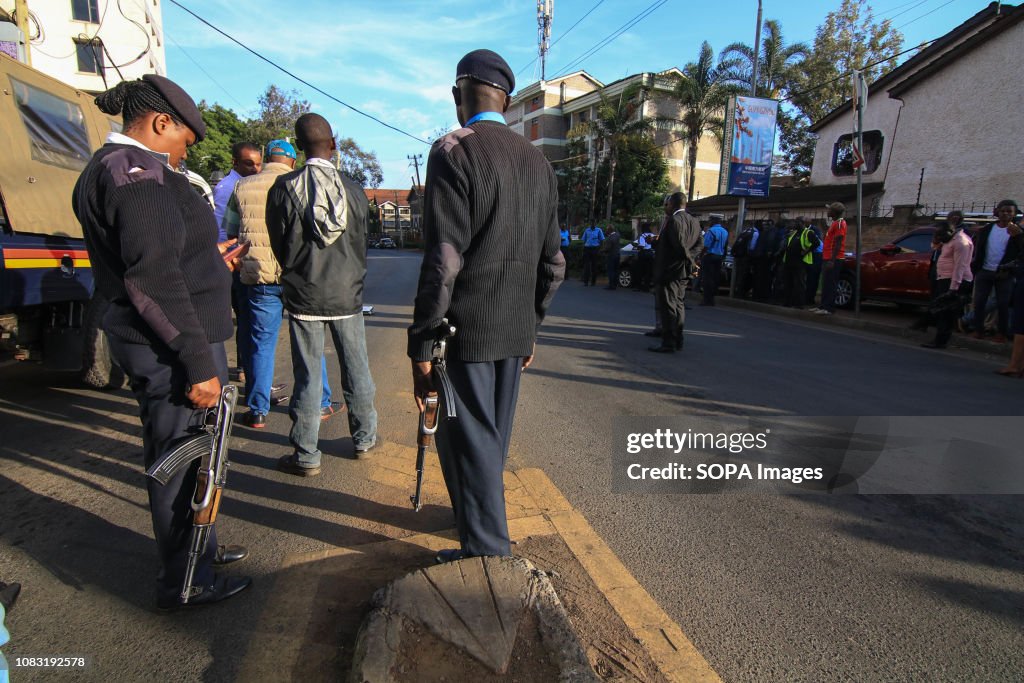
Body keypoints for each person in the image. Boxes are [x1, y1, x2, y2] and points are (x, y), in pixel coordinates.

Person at [72, 75, 251, 610]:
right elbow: (151, 278)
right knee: (182, 460)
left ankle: (199, 549)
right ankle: (186, 579)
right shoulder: (134, 173)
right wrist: (198, 363)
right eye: (184, 141)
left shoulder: (127, 170)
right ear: (160, 123)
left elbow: (162, 255)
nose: (182, 153)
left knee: (198, 458)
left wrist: (207, 262)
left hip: (168, 337)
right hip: (170, 348)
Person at [408, 49, 564, 563]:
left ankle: (487, 556)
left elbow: (444, 261)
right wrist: (532, 328)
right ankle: (473, 518)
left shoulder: (453, 150)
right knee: (485, 440)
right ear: (508, 99)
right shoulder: (539, 162)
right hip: (514, 332)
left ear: (458, 96)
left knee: (471, 440)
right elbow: (554, 263)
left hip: (466, 332)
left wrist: (423, 340)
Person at [267, 114, 378, 476]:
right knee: (357, 369)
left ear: (298, 148)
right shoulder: (354, 189)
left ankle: (306, 455)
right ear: (333, 144)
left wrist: (296, 273)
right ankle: (363, 440)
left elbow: (279, 245)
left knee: (309, 376)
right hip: (347, 296)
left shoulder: (283, 188)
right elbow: (362, 244)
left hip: (304, 297)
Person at [222, 139, 337, 428]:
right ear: (292, 162)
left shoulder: (243, 186)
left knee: (261, 343)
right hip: (298, 277)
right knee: (310, 342)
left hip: (258, 277)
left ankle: (257, 409)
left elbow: (232, 231)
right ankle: (321, 403)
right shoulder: (303, 184)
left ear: (265, 159)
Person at [214, 142, 262, 385]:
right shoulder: (228, 188)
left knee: (246, 318)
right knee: (243, 318)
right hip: (233, 263)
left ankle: (245, 367)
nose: (255, 168)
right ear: (235, 162)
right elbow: (224, 232)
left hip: (241, 261)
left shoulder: (244, 185)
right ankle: (243, 369)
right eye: (248, 163)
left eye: (258, 163)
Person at [650, 192, 701, 353]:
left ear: (673, 203)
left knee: (668, 306)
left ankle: (668, 342)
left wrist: (689, 261)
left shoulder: (674, 220)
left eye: (668, 203)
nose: (667, 206)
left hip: (670, 270)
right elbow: (699, 244)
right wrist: (691, 260)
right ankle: (678, 339)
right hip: (683, 271)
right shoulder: (695, 221)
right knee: (679, 305)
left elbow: (679, 246)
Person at [969, 199, 1023, 343]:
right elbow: (978, 249)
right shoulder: (987, 229)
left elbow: (1021, 252)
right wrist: (976, 268)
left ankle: (1001, 333)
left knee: (1003, 304)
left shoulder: (1017, 231)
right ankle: (978, 330)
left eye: (1009, 211)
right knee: (979, 301)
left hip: (1004, 273)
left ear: (1014, 214)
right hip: (985, 270)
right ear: (997, 212)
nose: (1005, 214)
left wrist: (1018, 236)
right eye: (1003, 210)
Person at [921, 223, 974, 349]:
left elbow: (960, 266)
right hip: (943, 278)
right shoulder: (948, 240)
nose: (939, 237)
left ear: (951, 231)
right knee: (941, 309)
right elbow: (935, 248)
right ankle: (938, 336)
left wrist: (953, 288)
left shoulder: (961, 242)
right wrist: (936, 241)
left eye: (941, 235)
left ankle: (941, 340)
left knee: (946, 311)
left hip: (954, 281)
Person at [813, 203, 847, 315]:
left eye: (829, 210)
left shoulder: (840, 224)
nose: (827, 212)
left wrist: (832, 260)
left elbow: (838, 242)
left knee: (831, 283)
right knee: (825, 282)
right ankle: (823, 305)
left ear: (834, 212)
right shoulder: (834, 223)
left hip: (834, 258)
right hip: (827, 257)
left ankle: (829, 308)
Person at [780, 219, 820, 309]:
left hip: (800, 262)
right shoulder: (794, 233)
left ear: (802, 223)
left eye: (796, 222)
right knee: (788, 283)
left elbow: (817, 243)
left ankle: (799, 304)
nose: (794, 224)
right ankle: (788, 302)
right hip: (789, 261)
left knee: (799, 283)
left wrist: (806, 251)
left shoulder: (808, 232)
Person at [700, 214, 729, 306]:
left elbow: (706, 246)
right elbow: (725, 246)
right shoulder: (725, 232)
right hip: (719, 257)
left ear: (714, 221)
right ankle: (712, 299)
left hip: (710, 256)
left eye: (710, 220)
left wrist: (701, 255)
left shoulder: (711, 231)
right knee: (715, 278)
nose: (709, 222)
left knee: (707, 279)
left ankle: (707, 300)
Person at [731, 221, 758, 299]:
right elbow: (752, 246)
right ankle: (741, 293)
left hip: (738, 256)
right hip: (746, 257)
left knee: (739, 274)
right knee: (744, 275)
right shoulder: (755, 233)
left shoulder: (744, 232)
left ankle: (737, 291)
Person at [636, 223, 656, 291]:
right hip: (651, 254)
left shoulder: (642, 236)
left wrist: (637, 246)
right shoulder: (653, 235)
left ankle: (640, 286)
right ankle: (647, 287)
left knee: (641, 270)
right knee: (648, 271)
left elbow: (642, 245)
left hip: (643, 254)